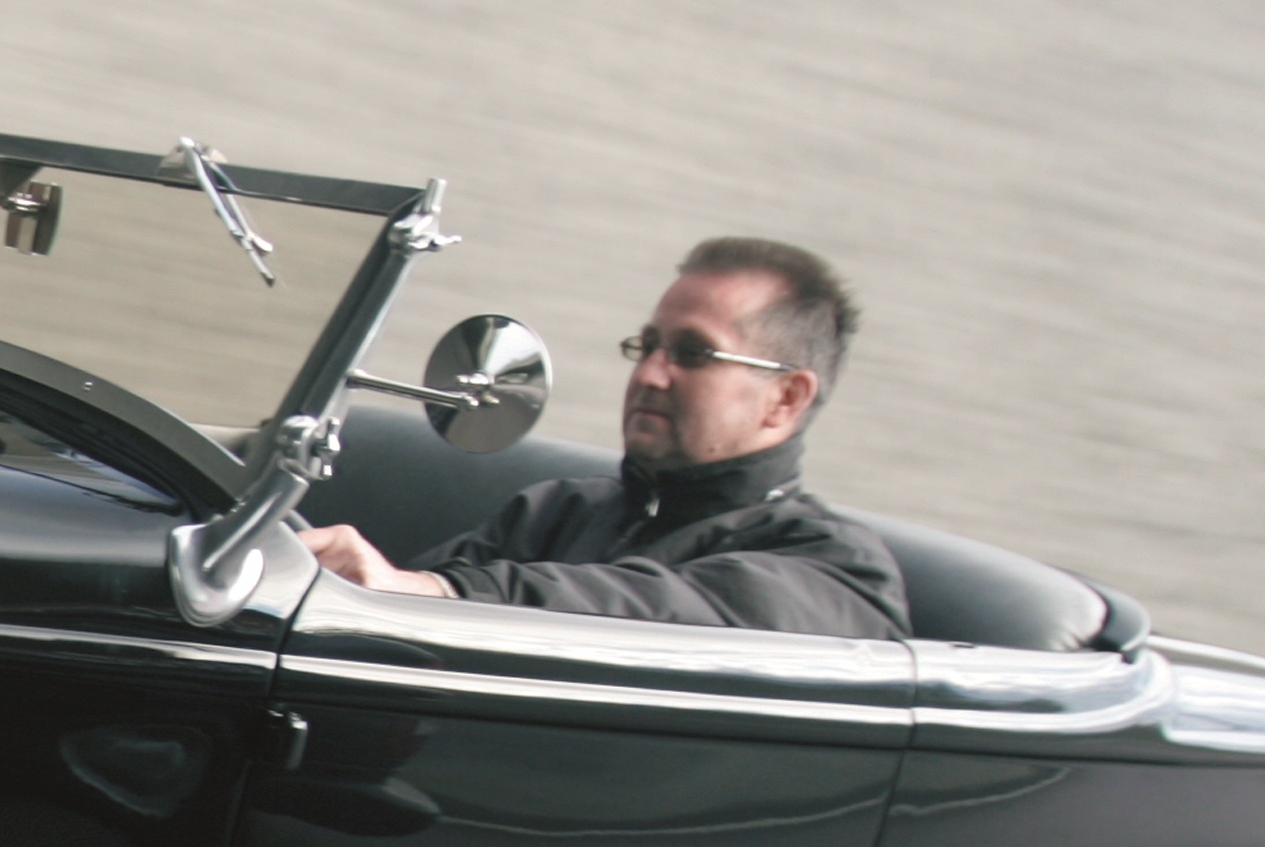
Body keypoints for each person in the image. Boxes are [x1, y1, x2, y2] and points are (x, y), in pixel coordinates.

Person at [296, 239, 910, 637]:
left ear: (787, 397)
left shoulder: (836, 571)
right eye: (648, 346)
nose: (650, 375)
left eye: (692, 353)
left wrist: (445, 592)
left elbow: (666, 612)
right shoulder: (558, 513)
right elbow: (389, 622)